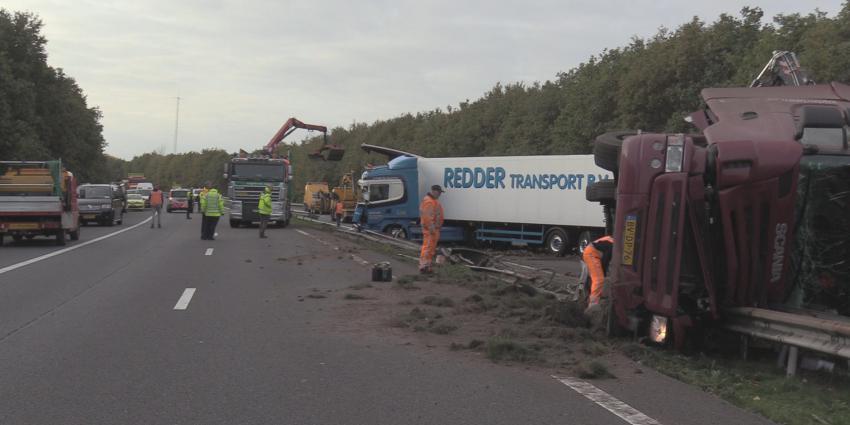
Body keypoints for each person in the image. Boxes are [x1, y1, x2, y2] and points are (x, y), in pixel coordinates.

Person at [582, 235, 614, 314]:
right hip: (591, 254)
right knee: (599, 279)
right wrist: (604, 274)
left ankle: (587, 298)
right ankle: (593, 305)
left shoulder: (611, 240)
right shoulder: (612, 246)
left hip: (590, 252)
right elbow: (605, 261)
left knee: (593, 279)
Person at [418, 185, 444, 274]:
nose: (440, 194)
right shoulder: (429, 201)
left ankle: (427, 266)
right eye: (439, 192)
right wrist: (431, 228)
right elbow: (427, 217)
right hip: (430, 230)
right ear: (434, 191)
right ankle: (423, 266)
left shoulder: (433, 201)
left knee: (431, 249)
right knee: (427, 248)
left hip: (434, 229)